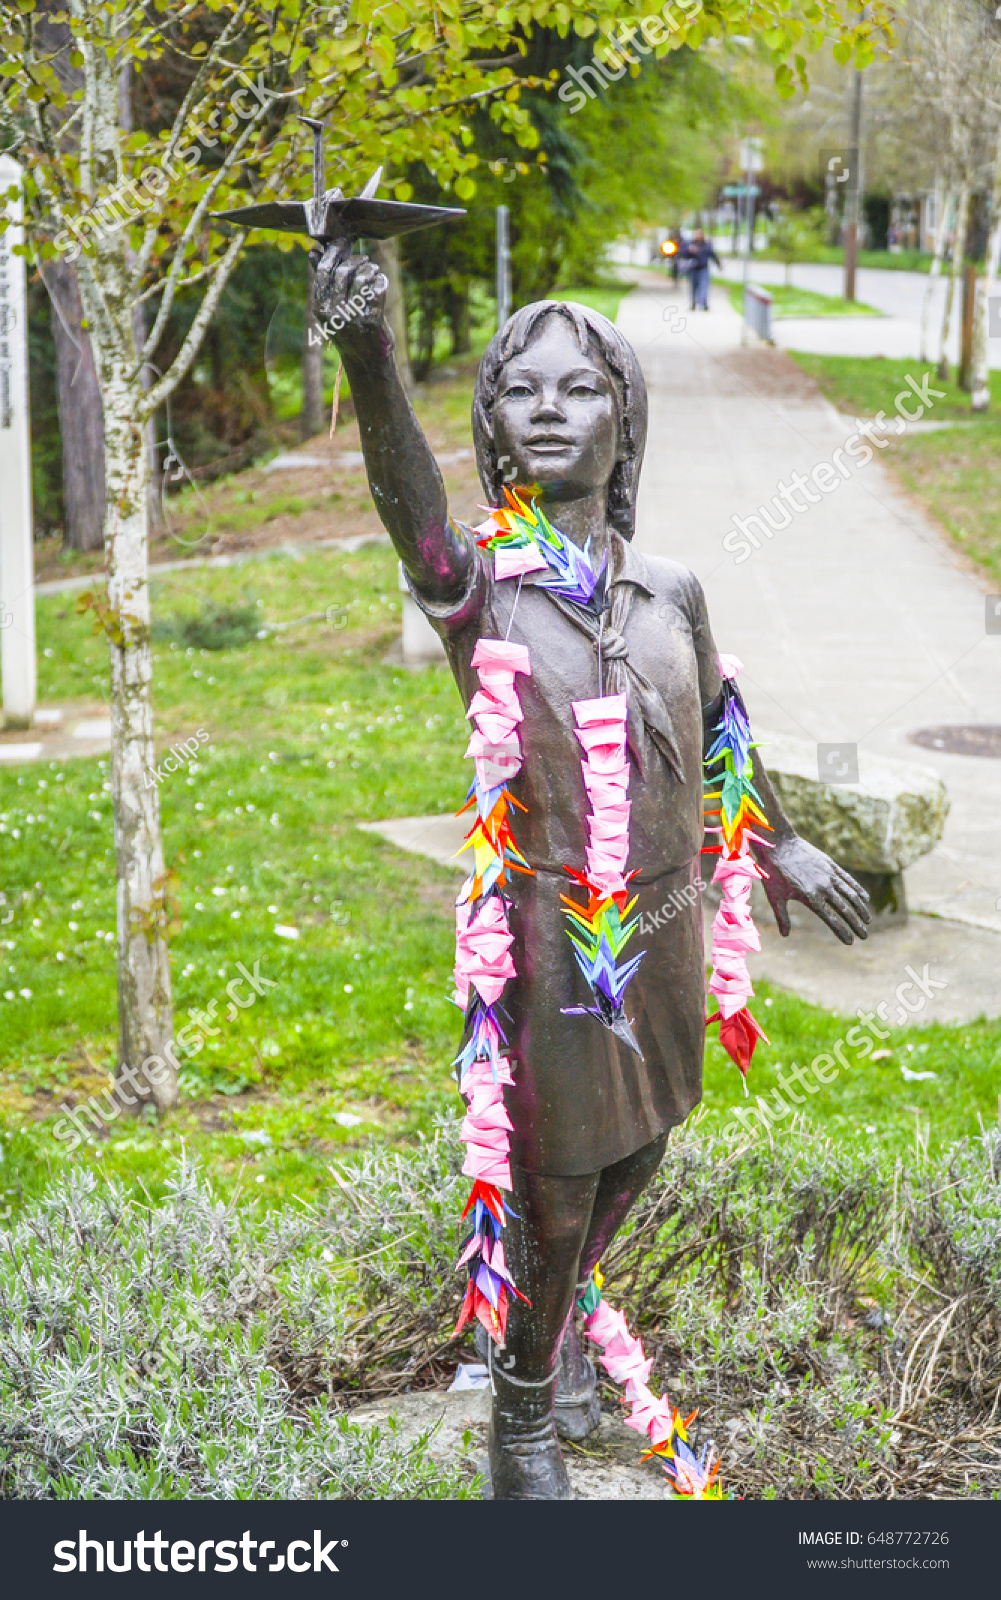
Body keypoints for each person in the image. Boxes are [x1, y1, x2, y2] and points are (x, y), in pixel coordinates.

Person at [311, 248, 871, 1499]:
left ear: (625, 416)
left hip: (668, 921)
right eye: (520, 390)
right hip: (554, 925)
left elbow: (720, 730)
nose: (551, 407)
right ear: (493, 430)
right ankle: (522, 1411)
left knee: (643, 1146)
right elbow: (409, 503)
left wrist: (775, 841)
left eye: (579, 386)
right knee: (559, 1177)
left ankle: (550, 1339)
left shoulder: (669, 587)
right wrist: (368, 356)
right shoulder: (478, 592)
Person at [686, 228, 721, 311]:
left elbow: (713, 254)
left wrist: (718, 265)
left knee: (704, 286)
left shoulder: (706, 245)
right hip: (693, 269)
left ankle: (703, 303)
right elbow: (683, 254)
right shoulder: (690, 244)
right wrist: (689, 251)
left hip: (703, 268)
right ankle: (693, 303)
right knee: (693, 288)